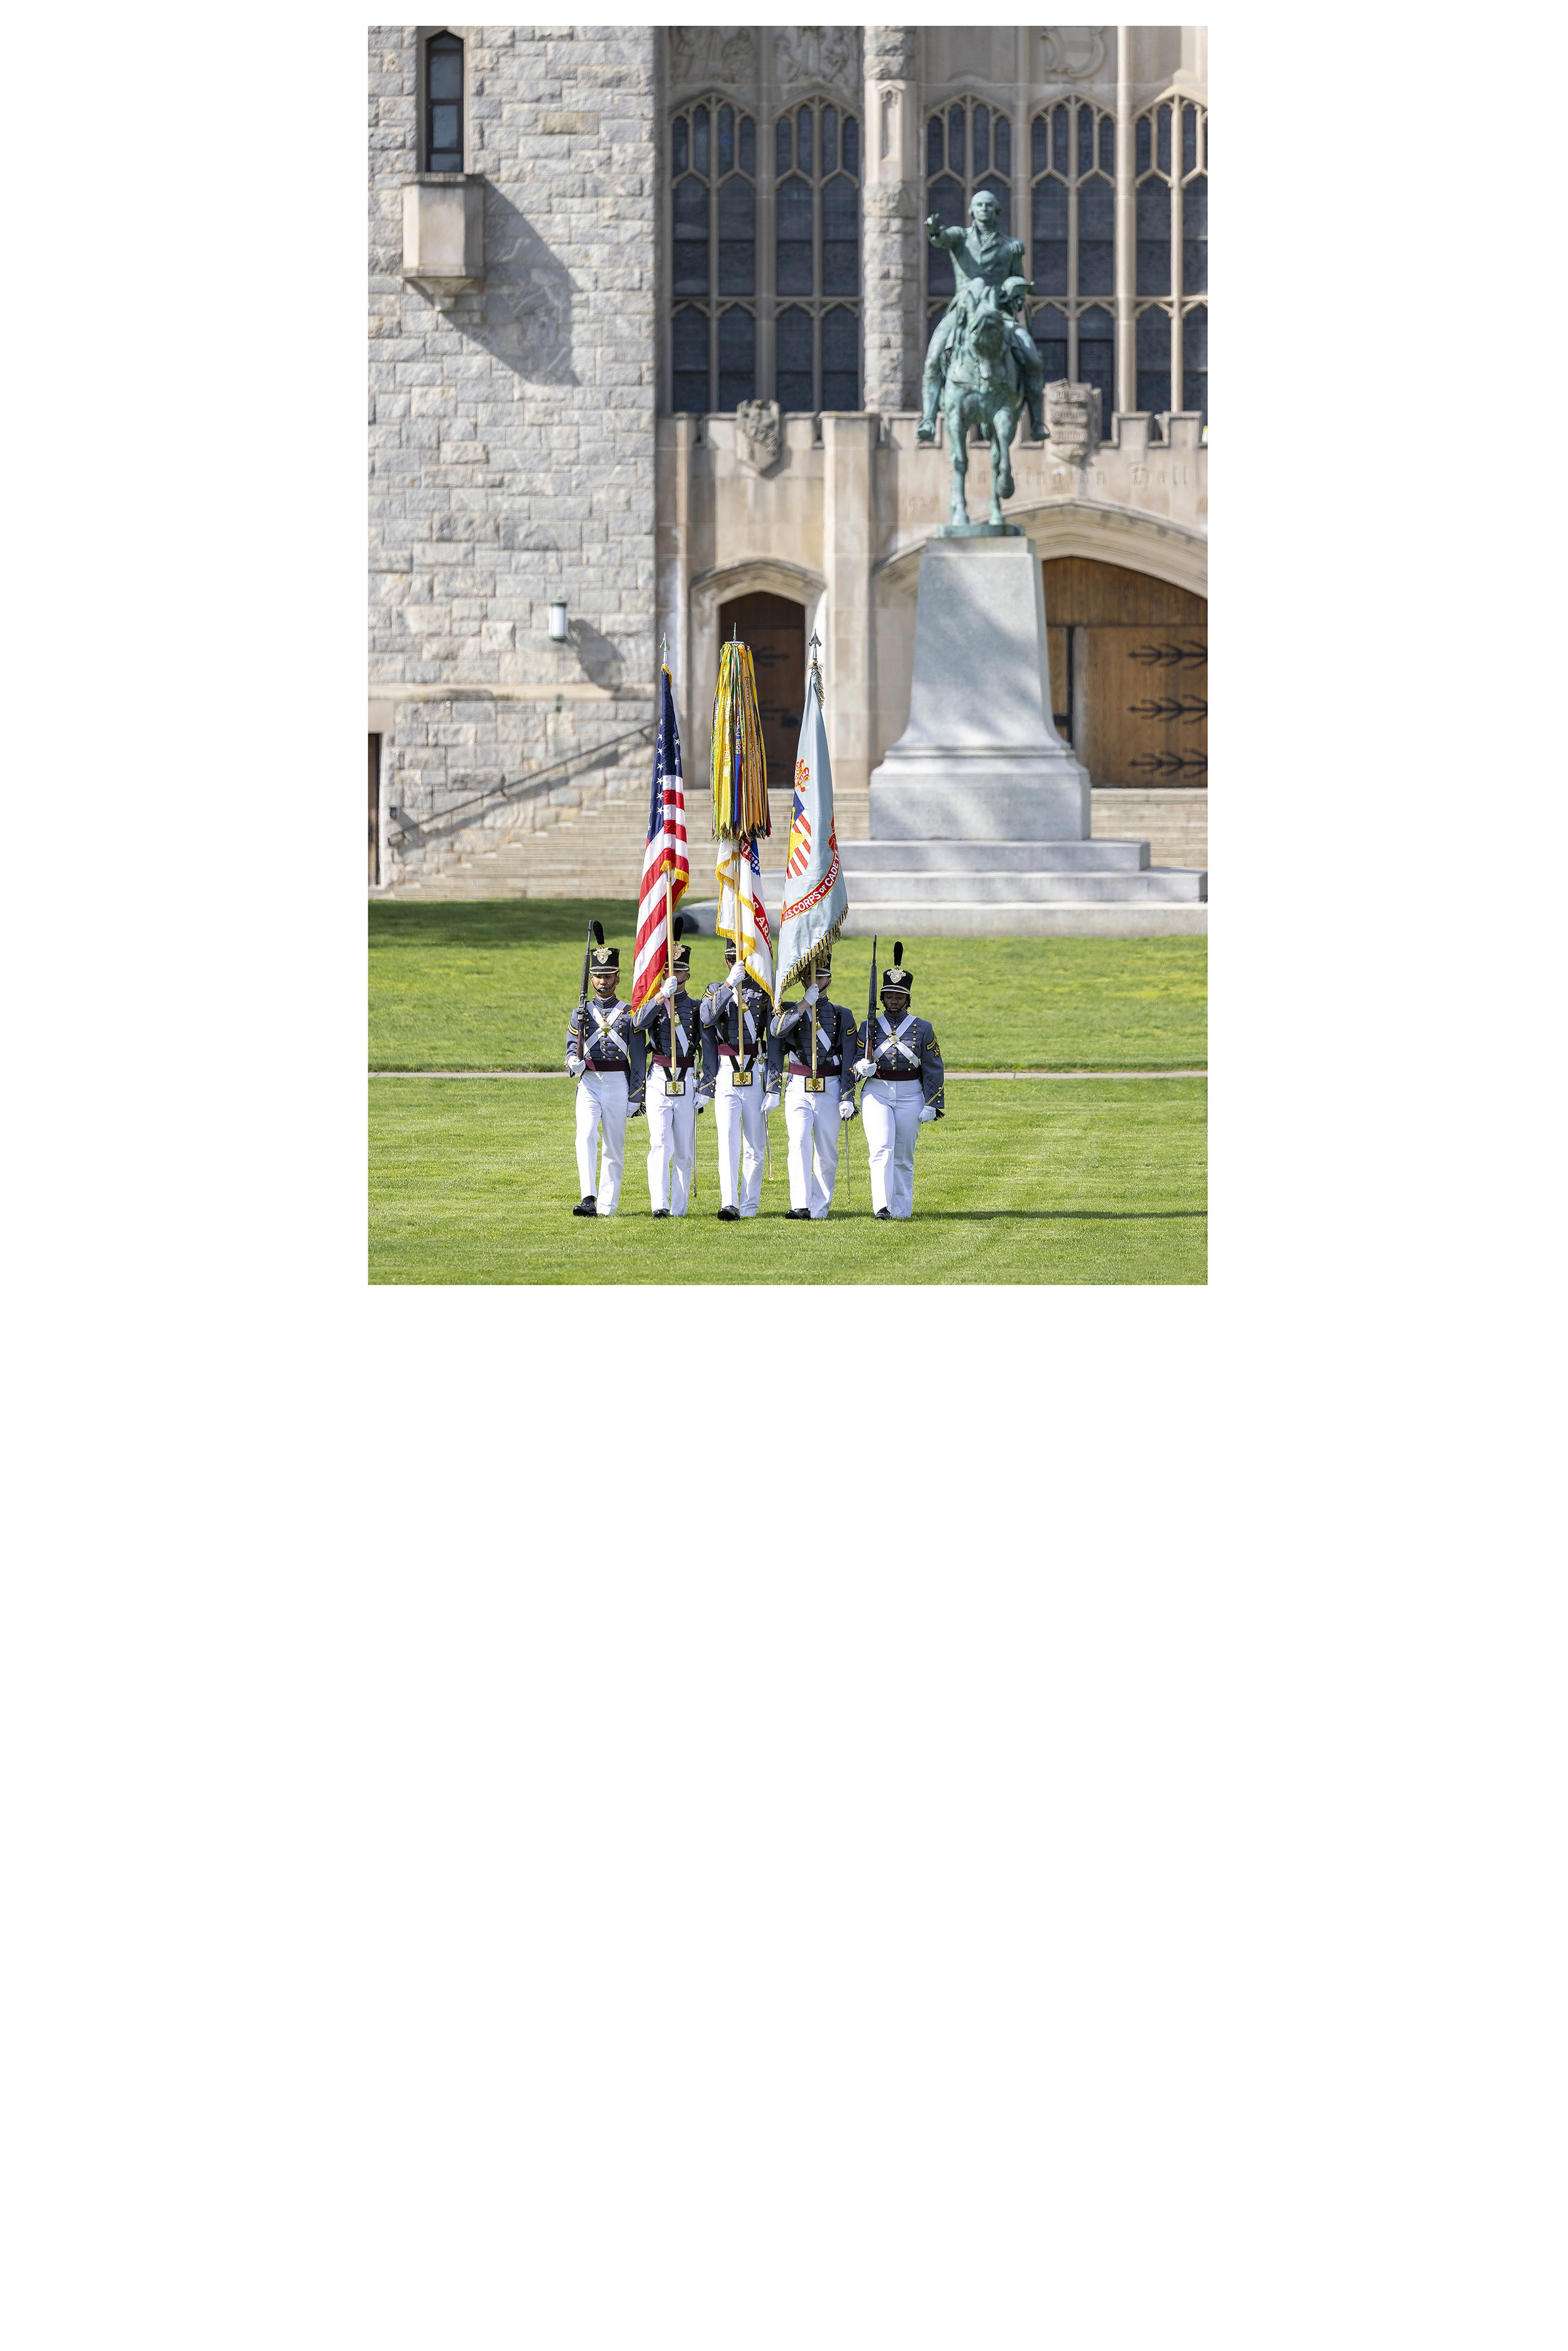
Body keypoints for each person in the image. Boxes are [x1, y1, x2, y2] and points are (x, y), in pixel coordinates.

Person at [917, 189, 1045, 444]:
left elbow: (1017, 278)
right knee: (932, 359)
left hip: (999, 314)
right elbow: (942, 239)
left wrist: (1017, 293)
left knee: (1032, 358)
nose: (984, 209)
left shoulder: (1011, 246)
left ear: (997, 210)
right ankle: (929, 419)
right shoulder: (960, 238)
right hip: (963, 313)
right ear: (971, 211)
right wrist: (934, 231)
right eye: (979, 205)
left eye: (988, 205)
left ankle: (1037, 422)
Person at [851, 944, 945, 1221]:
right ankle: (882, 1207)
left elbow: (934, 1067)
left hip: (910, 1094)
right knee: (881, 1149)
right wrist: (860, 1067)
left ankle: (902, 1211)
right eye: (889, 995)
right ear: (882, 997)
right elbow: (854, 1060)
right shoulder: (868, 1026)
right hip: (877, 1091)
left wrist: (932, 1102)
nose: (894, 1000)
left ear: (907, 998)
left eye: (899, 996)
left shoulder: (923, 1028)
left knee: (903, 1157)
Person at [767, 949, 860, 1220]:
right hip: (798, 1084)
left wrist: (847, 1096)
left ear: (829, 979)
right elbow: (776, 1030)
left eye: (821, 977)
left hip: (830, 1085)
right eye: (810, 977)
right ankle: (800, 1204)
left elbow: (848, 1059)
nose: (815, 982)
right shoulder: (789, 1009)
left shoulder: (842, 1015)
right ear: (802, 980)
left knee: (827, 1151)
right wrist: (804, 1005)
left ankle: (819, 1207)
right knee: (798, 1142)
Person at [631, 934, 711, 1218]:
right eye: (669, 970)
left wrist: (706, 1087)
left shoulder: (696, 1007)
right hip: (658, 1079)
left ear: (688, 974)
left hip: (687, 1079)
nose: (674, 975)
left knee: (685, 1150)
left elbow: (708, 1048)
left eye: (679, 970)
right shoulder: (656, 1002)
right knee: (659, 1144)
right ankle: (660, 1205)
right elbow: (638, 1022)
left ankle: (679, 1208)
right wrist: (660, 996)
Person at [564, 942, 644, 1217]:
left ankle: (608, 1206)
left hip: (617, 1084)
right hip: (589, 1083)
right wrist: (572, 1062)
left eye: (608, 976)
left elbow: (638, 1058)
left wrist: (636, 1095)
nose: (602, 982)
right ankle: (588, 1197)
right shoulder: (581, 1013)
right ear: (591, 979)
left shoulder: (629, 1013)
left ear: (617, 978)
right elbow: (570, 1048)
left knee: (614, 1145)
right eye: (598, 976)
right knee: (585, 1135)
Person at [698, 939, 771, 1220]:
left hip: (754, 1070)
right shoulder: (716, 989)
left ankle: (750, 1206)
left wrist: (773, 1084)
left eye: (740, 959)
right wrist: (730, 984)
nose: (735, 962)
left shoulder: (764, 993)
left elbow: (773, 1038)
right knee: (728, 1141)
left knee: (755, 1145)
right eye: (730, 959)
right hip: (727, 1071)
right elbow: (707, 1016)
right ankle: (729, 1202)